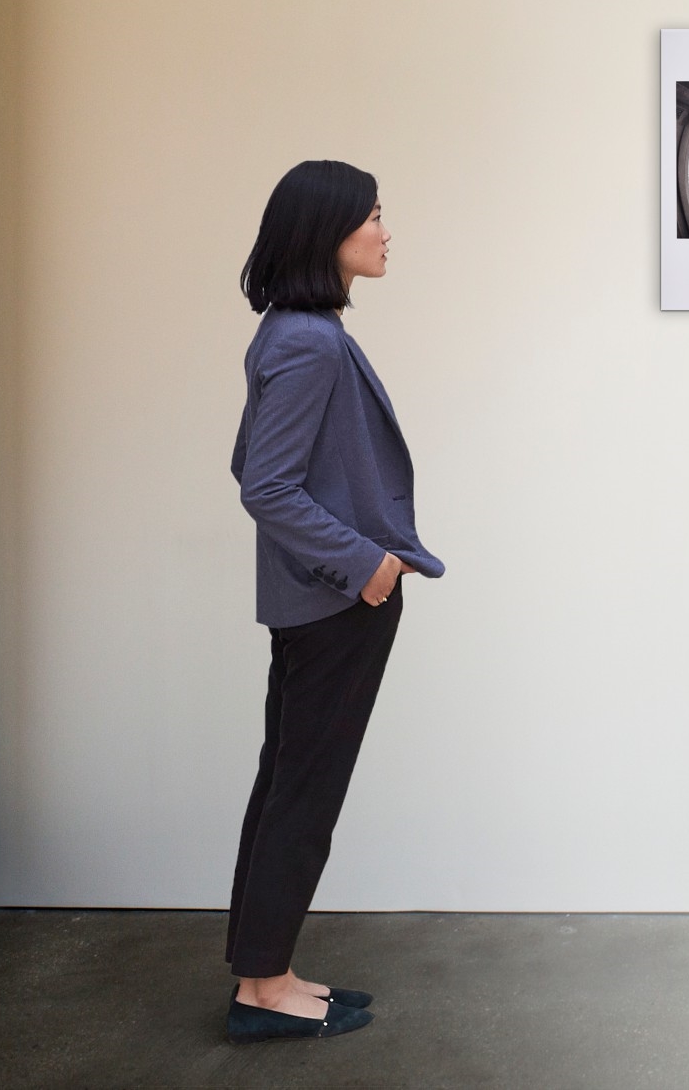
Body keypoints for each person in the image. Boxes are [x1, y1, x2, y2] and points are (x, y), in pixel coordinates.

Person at [224, 159, 445, 1043]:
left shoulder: (292, 330)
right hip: (335, 603)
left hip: (314, 600)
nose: (387, 232)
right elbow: (267, 484)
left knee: (288, 785)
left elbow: (249, 464)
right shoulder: (310, 342)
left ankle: (264, 975)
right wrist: (366, 565)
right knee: (304, 795)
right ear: (329, 232)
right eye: (374, 215)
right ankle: (264, 989)